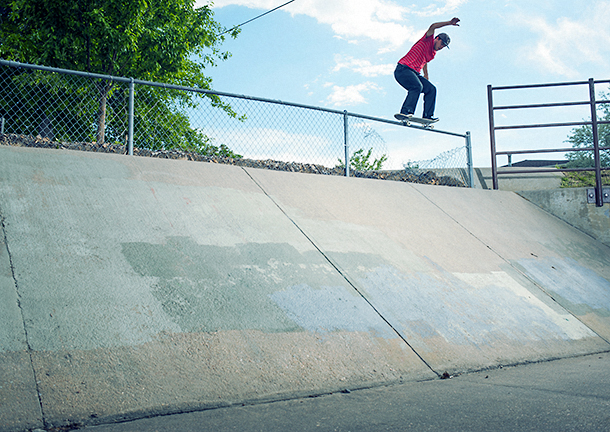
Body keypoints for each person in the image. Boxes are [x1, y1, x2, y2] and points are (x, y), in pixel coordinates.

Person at [394, 18, 460, 122]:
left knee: (431, 89)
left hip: (414, 73)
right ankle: (405, 112)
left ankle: (427, 117)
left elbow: (424, 61)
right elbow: (433, 26)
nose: (441, 47)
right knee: (417, 86)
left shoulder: (433, 53)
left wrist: (426, 75)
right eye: (441, 44)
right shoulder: (427, 40)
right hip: (403, 69)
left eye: (444, 46)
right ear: (437, 38)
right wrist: (449, 23)